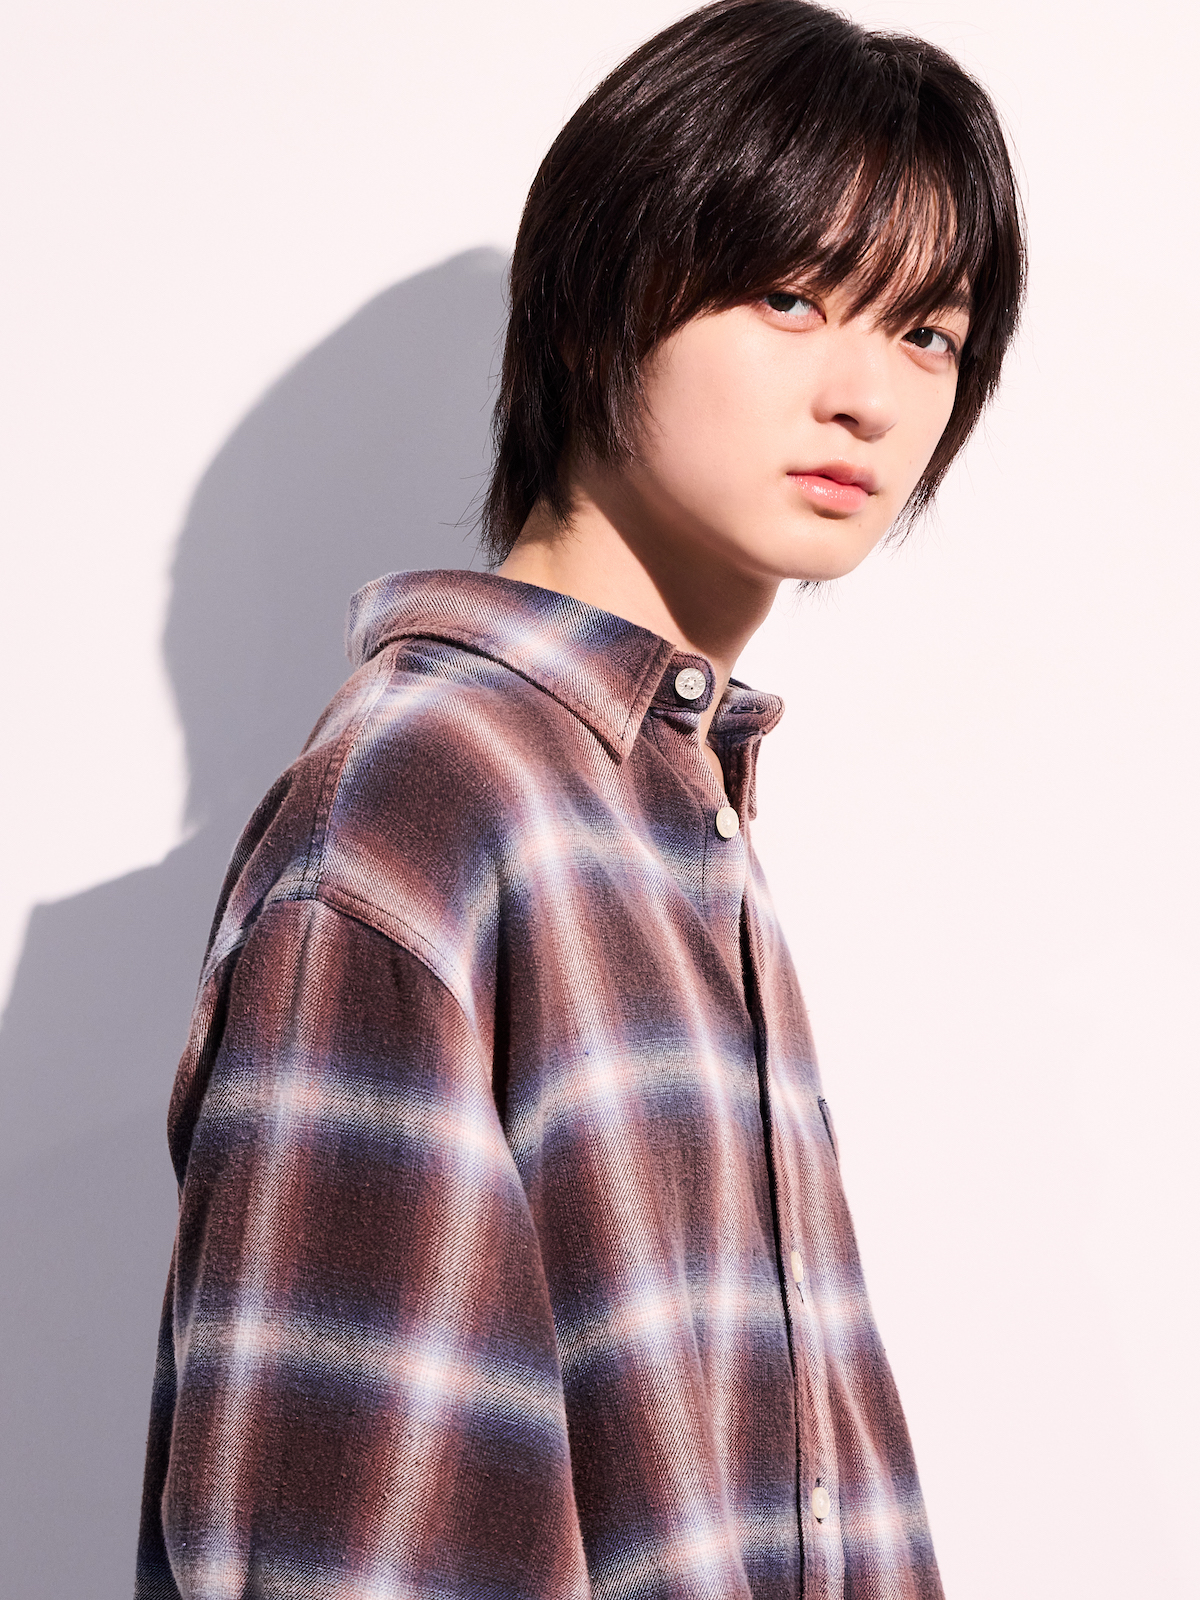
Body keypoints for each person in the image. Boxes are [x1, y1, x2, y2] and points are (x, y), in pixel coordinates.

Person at [135, 2, 1025, 1596]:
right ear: (595, 300)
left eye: (927, 333)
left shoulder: (670, 813)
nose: (872, 397)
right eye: (790, 295)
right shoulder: (424, 805)